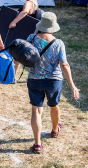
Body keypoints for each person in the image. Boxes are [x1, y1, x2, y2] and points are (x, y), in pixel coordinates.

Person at [26, 12, 80, 153]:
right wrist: (73, 86)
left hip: (34, 79)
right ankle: (55, 130)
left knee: (36, 111)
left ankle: (37, 144)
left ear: (41, 25)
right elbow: (64, 65)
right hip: (54, 81)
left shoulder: (31, 38)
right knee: (54, 106)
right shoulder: (58, 43)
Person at [9, 0, 40, 80]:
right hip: (31, 32)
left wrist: (14, 22)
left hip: (24, 32)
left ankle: (13, 76)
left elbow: (25, 12)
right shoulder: (35, 2)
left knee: (17, 53)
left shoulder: (28, 3)